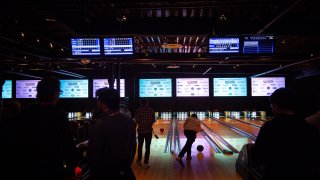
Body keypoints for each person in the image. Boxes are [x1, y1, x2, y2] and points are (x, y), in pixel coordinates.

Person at [7, 76, 78, 179]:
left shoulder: (25, 113)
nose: (59, 95)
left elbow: (14, 142)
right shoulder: (58, 114)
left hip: (27, 169)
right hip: (52, 169)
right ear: (53, 94)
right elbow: (68, 145)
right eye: (59, 92)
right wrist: (71, 170)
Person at [252, 88, 320, 180]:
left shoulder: (269, 127)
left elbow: (257, 158)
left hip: (274, 175)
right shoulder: (309, 127)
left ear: (275, 106)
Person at [88, 88, 136, 180]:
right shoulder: (130, 122)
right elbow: (133, 148)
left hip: (105, 174)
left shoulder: (98, 126)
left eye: (98, 101)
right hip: (125, 172)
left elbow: (93, 159)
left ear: (104, 104)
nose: (97, 104)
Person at [135, 98, 155, 168]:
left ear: (141, 103)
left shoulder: (138, 110)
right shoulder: (151, 110)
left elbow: (136, 121)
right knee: (148, 147)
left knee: (140, 146)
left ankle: (139, 161)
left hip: (140, 131)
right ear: (147, 103)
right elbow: (153, 120)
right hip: (149, 131)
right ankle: (146, 163)